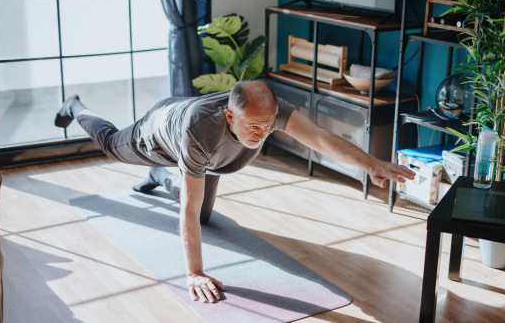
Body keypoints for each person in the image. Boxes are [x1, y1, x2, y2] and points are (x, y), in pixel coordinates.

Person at [54, 80, 415, 304]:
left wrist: (371, 164)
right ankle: (77, 107)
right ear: (230, 117)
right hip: (159, 132)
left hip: (208, 157)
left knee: (208, 218)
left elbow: (320, 138)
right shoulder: (199, 131)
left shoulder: (269, 112)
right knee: (111, 145)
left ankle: (160, 178)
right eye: (253, 126)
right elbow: (188, 212)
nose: (262, 133)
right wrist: (194, 272)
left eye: (268, 125)